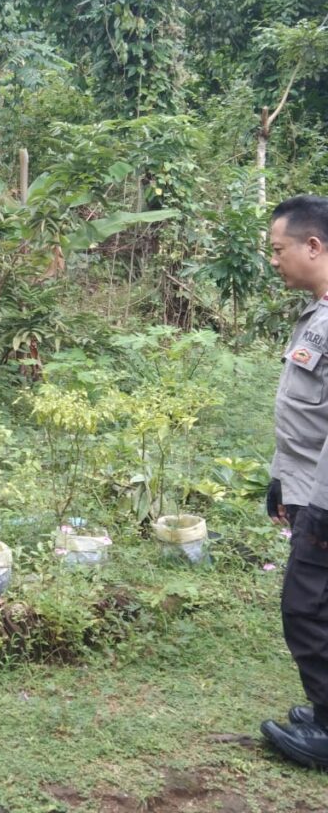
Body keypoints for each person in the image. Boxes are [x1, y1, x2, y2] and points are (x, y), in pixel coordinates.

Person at [261, 195, 328, 768]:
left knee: (305, 607)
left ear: (313, 245)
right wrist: (281, 480)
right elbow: (308, 416)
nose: (274, 260)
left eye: (278, 248)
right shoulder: (316, 315)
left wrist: (322, 507)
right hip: (308, 484)